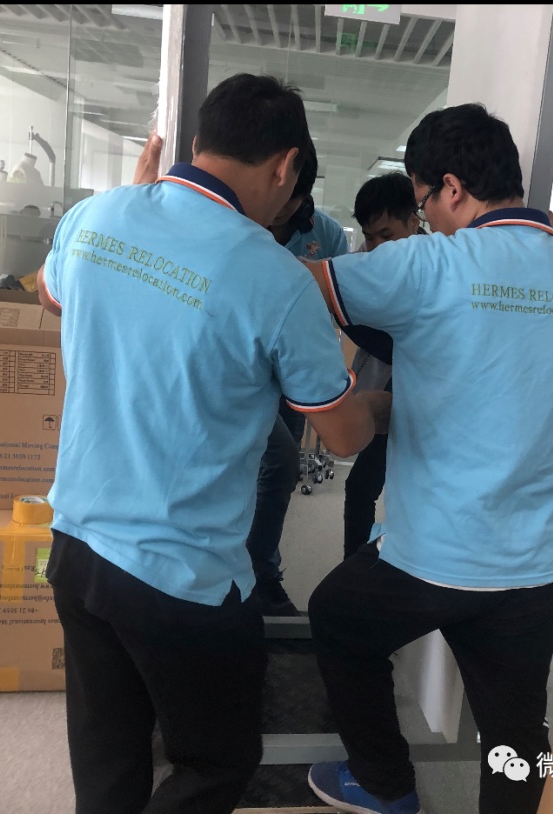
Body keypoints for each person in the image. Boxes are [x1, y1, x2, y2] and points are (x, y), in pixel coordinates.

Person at [36, 73, 384, 814]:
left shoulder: (97, 215)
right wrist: (393, 402)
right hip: (181, 579)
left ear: (198, 141)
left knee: (109, 756)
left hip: (76, 547)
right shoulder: (275, 278)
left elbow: (50, 292)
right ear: (286, 166)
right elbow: (343, 433)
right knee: (219, 760)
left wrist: (128, 212)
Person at [299, 103, 553, 814]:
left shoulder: (427, 263)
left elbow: (300, 286)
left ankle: (384, 784)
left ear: (450, 187)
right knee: (513, 735)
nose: (427, 219)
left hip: (433, 556)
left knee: (336, 620)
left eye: (422, 203)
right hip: (535, 565)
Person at [247, 146, 350, 616]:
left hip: (296, 374)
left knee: (280, 472)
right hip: (247, 372)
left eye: (289, 199)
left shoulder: (325, 234)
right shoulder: (242, 223)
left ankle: (261, 569)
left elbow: (342, 303)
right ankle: (257, 574)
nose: (277, 209)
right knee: (273, 461)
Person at [341, 171, 423, 560]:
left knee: (415, 491)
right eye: (369, 236)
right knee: (360, 487)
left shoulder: (439, 267)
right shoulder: (364, 261)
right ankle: (351, 570)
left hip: (428, 393)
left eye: (386, 235)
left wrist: (346, 316)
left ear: (414, 222)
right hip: (386, 387)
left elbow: (404, 346)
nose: (376, 247)